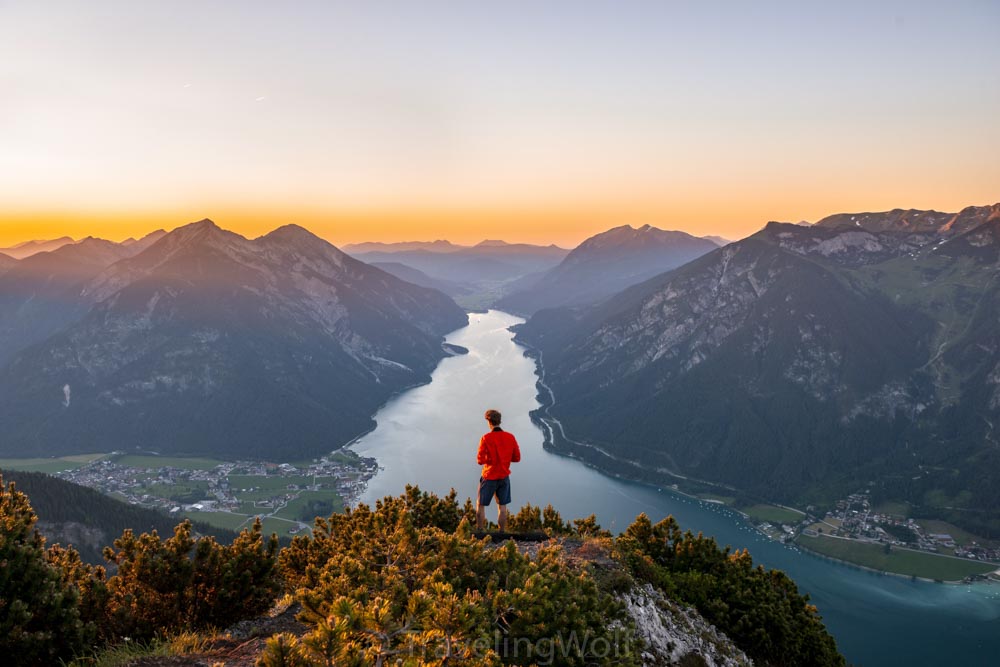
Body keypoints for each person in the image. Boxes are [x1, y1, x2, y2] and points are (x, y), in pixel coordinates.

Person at [476, 408, 521, 532]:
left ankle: (480, 531)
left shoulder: (486, 438)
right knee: (502, 507)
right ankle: (502, 532)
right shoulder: (510, 437)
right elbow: (517, 458)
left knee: (480, 505)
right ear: (500, 421)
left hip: (489, 476)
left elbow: (480, 460)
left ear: (489, 422)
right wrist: (505, 459)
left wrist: (490, 460)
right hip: (504, 477)